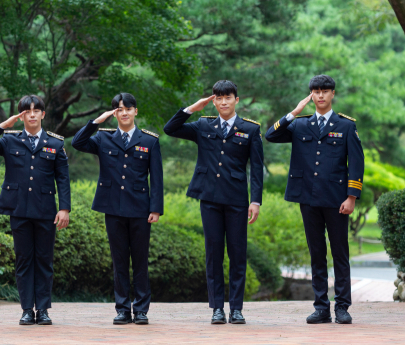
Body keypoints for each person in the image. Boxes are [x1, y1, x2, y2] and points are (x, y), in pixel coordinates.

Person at [265, 74, 363, 325]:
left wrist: (351, 197)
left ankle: (342, 307)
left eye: (325, 91)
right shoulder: (299, 124)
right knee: (316, 253)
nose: (320, 95)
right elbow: (271, 135)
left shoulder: (346, 126)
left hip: (336, 198)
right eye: (316, 91)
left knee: (340, 253)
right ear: (311, 95)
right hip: (307, 197)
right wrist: (294, 112)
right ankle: (321, 307)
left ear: (332, 94)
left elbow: (356, 164)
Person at [163, 80, 263, 325]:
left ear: (236, 100)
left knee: (238, 254)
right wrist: (191, 109)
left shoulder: (249, 129)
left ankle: (236, 309)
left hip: (237, 200)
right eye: (218, 98)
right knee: (214, 254)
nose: (223, 102)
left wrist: (256, 201)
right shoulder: (203, 125)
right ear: (214, 100)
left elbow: (257, 169)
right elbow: (170, 129)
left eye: (228, 97)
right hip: (209, 198)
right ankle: (217, 308)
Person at [0, 95, 70, 326]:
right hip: (18, 209)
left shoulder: (55, 144)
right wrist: (2, 126)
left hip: (46, 210)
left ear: (43, 114)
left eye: (36, 110)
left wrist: (64, 208)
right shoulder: (10, 141)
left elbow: (63, 179)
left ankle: (44, 310)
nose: (32, 115)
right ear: (21, 116)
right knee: (24, 260)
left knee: (44, 260)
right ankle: (27, 309)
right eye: (26, 111)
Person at [72, 93, 163, 325]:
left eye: (128, 108)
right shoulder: (104, 138)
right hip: (112, 206)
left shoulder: (150, 140)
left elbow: (157, 178)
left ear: (135, 111)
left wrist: (156, 208)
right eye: (119, 109)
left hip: (140, 208)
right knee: (119, 260)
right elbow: (77, 143)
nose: (124, 113)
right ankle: (123, 308)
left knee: (140, 260)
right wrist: (96, 122)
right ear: (114, 113)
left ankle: (141, 309)